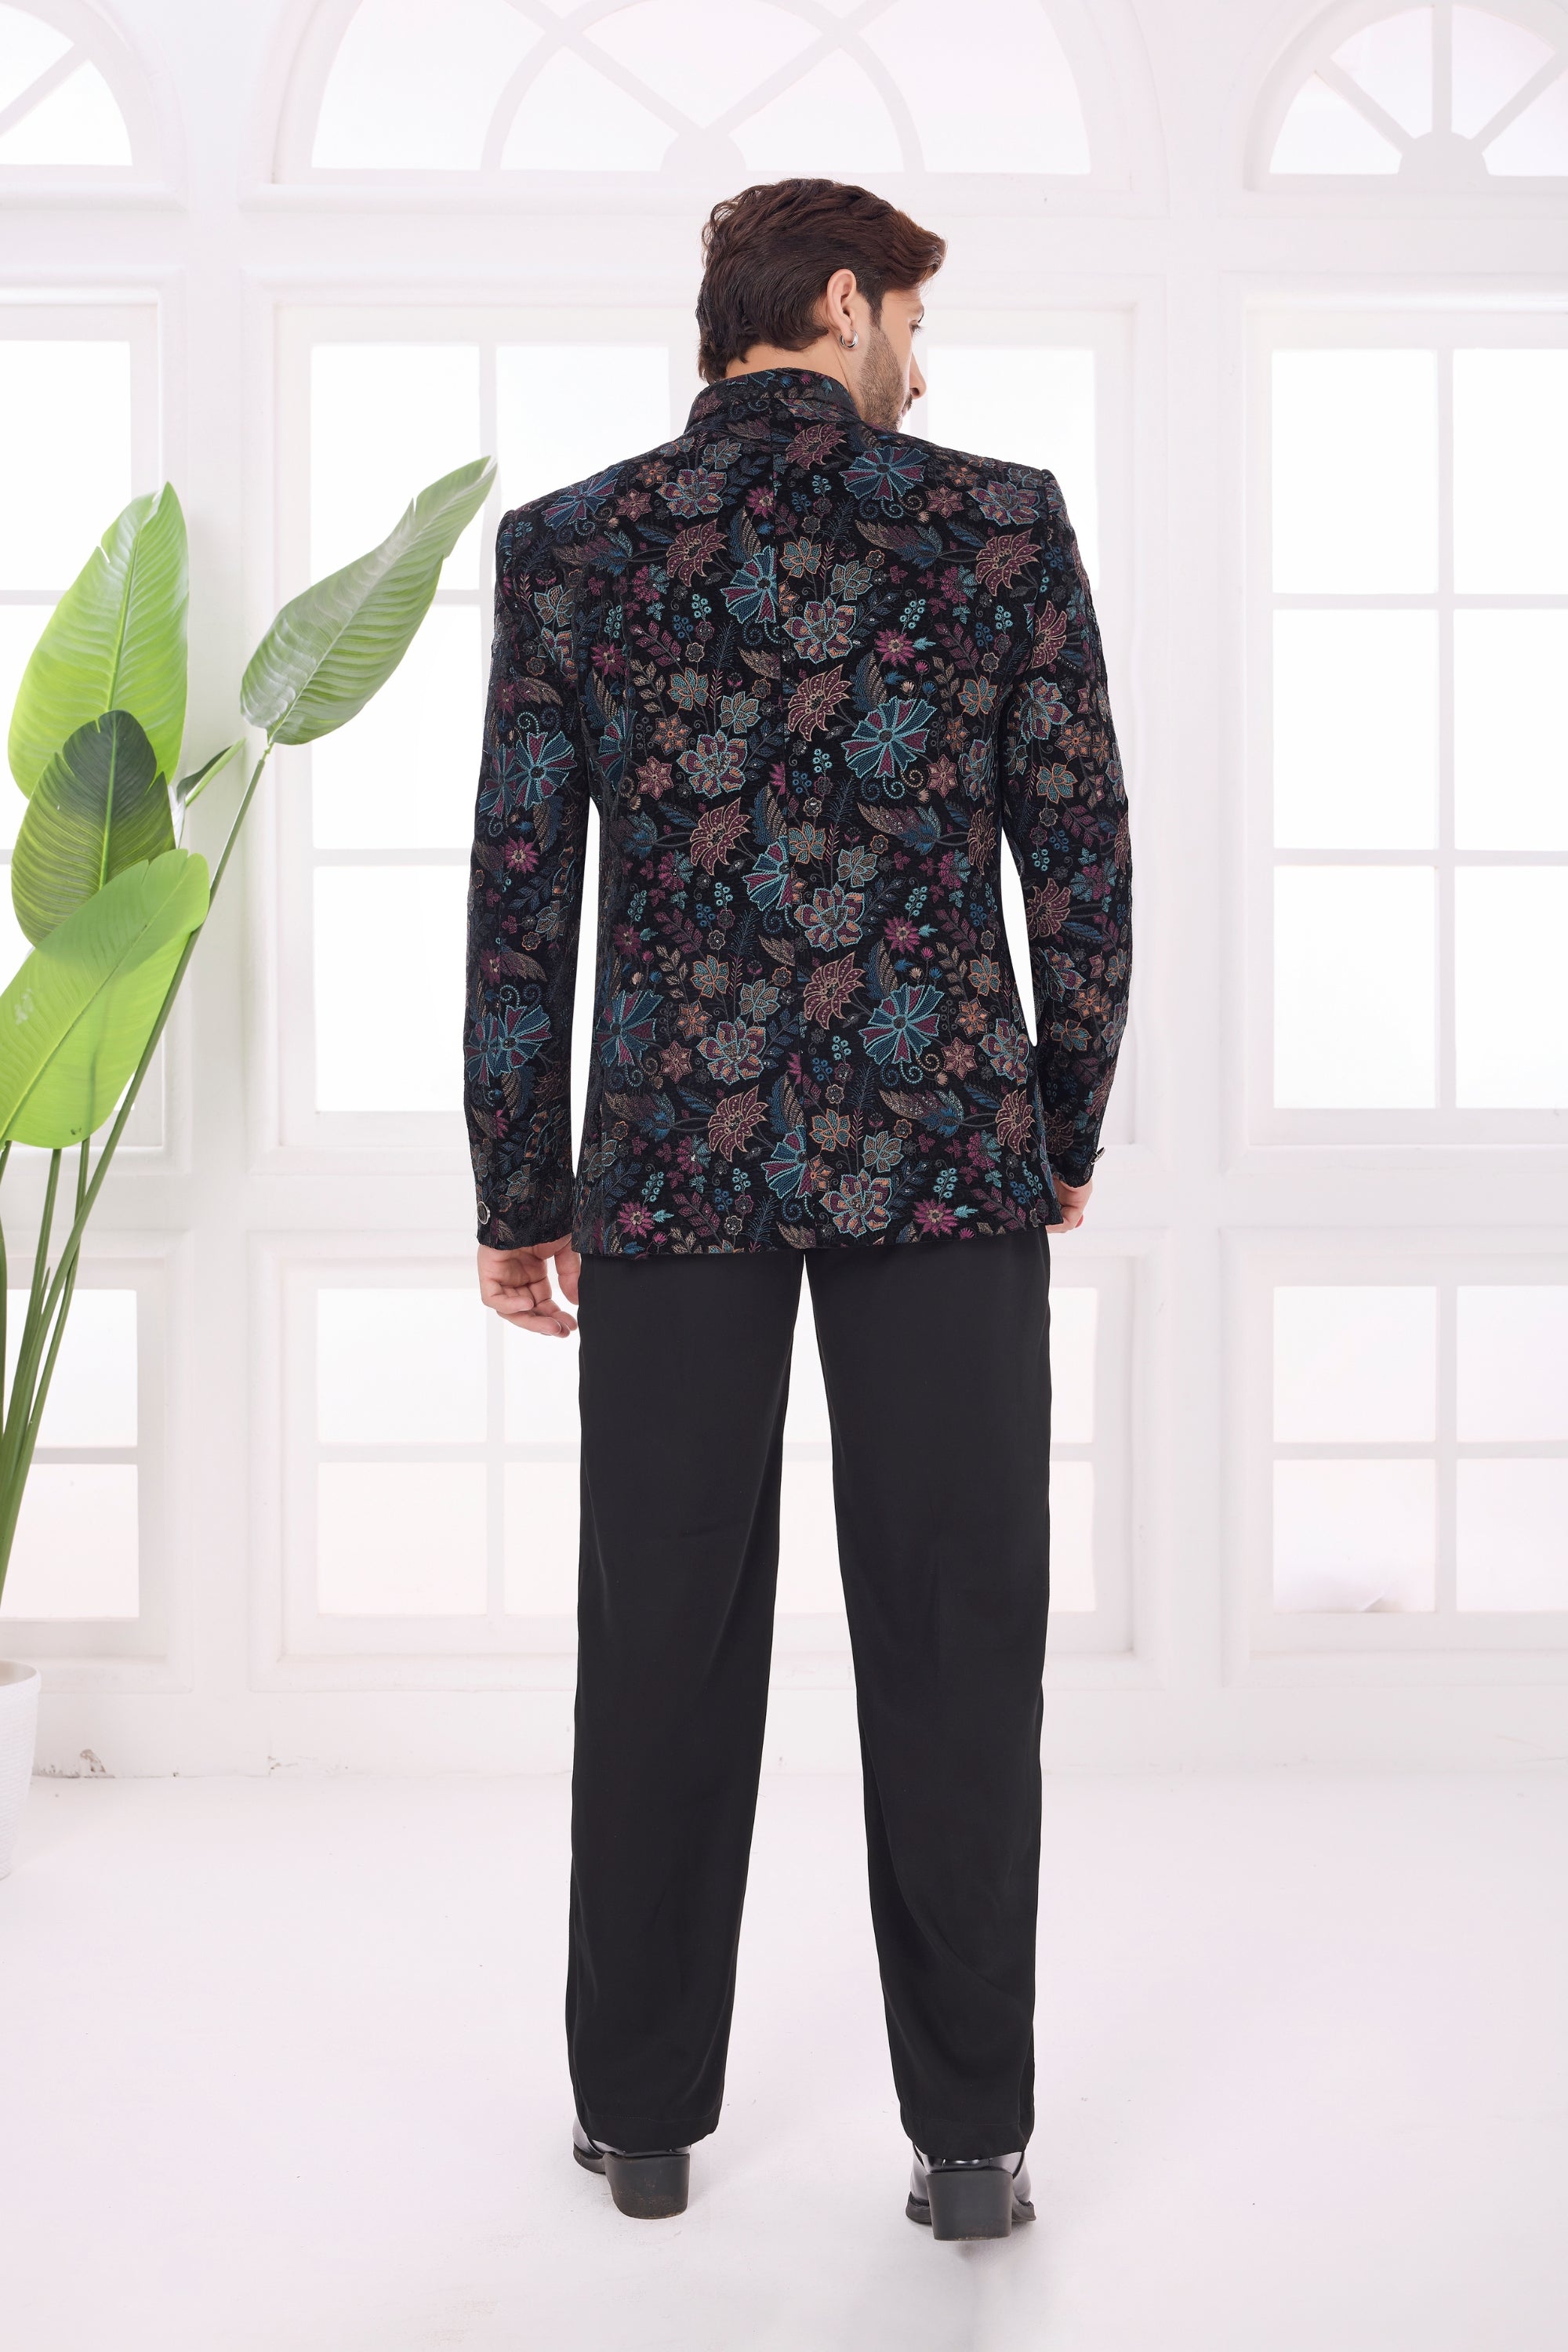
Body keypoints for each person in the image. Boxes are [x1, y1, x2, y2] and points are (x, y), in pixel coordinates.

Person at [464, 176, 1131, 2241]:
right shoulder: (997, 524)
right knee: (959, 1638)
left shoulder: (573, 546)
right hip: (945, 1154)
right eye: (912, 317)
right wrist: (1062, 1117)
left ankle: (644, 2123)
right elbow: (1082, 859)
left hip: (673, 1167)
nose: (923, 360)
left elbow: (520, 898)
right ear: (841, 302)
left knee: (659, 1638)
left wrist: (519, 1185)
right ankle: (973, 2147)